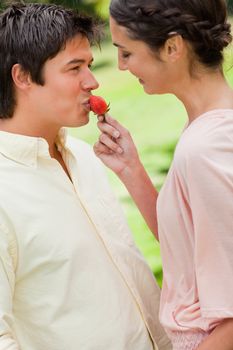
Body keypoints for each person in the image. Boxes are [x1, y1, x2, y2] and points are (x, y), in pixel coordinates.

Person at [0, 3, 171, 350]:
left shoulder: (84, 156)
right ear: (23, 77)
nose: (92, 82)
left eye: (89, 66)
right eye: (74, 68)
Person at [94, 0, 233, 349]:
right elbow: (190, 245)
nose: (122, 67)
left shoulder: (207, 148)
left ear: (172, 47)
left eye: (126, 53)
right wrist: (132, 171)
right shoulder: (205, 131)